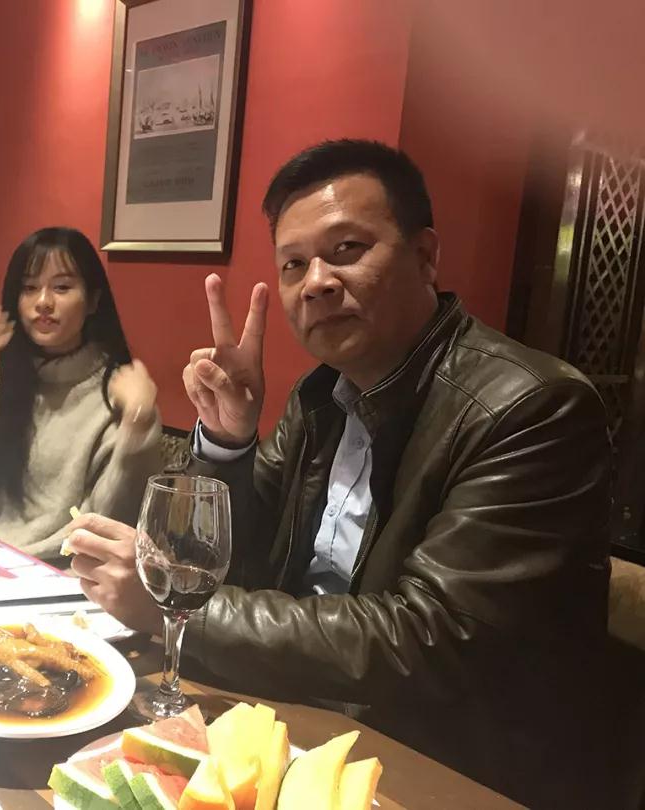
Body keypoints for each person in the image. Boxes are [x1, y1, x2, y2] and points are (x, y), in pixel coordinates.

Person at [65, 140, 612, 807]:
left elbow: (428, 639)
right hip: (299, 719)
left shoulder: (532, 408)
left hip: (445, 764)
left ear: (425, 256)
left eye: (347, 249)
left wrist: (176, 610)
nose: (316, 282)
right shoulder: (321, 396)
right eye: (294, 264)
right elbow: (240, 559)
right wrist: (229, 440)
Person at [0, 227, 161, 561]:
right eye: (29, 288)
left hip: (58, 572)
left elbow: (112, 523)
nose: (43, 302)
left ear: (93, 301)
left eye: (62, 287)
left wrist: (137, 431)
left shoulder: (119, 397)